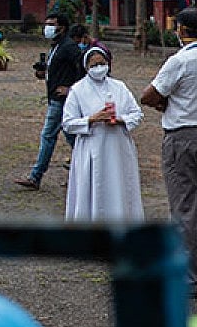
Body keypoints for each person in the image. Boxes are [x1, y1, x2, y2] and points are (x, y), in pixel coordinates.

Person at [141, 8, 197, 298]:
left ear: (183, 30)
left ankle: (187, 277)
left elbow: (148, 95)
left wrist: (165, 105)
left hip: (181, 136)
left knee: (184, 207)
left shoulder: (180, 60)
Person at [61, 45, 144, 221]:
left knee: (119, 187)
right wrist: (92, 119)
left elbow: (136, 114)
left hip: (118, 146)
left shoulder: (119, 87)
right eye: (94, 64)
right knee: (94, 187)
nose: (99, 67)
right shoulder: (78, 90)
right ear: (86, 67)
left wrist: (120, 119)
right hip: (92, 146)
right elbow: (68, 123)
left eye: (102, 63)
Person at [15, 12, 83, 190]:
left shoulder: (69, 47)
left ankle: (36, 176)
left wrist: (71, 88)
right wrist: (44, 72)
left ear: (62, 27)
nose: (48, 28)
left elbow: (84, 67)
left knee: (49, 136)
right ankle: (86, 170)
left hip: (62, 101)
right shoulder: (56, 46)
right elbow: (60, 69)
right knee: (74, 139)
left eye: (51, 24)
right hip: (56, 99)